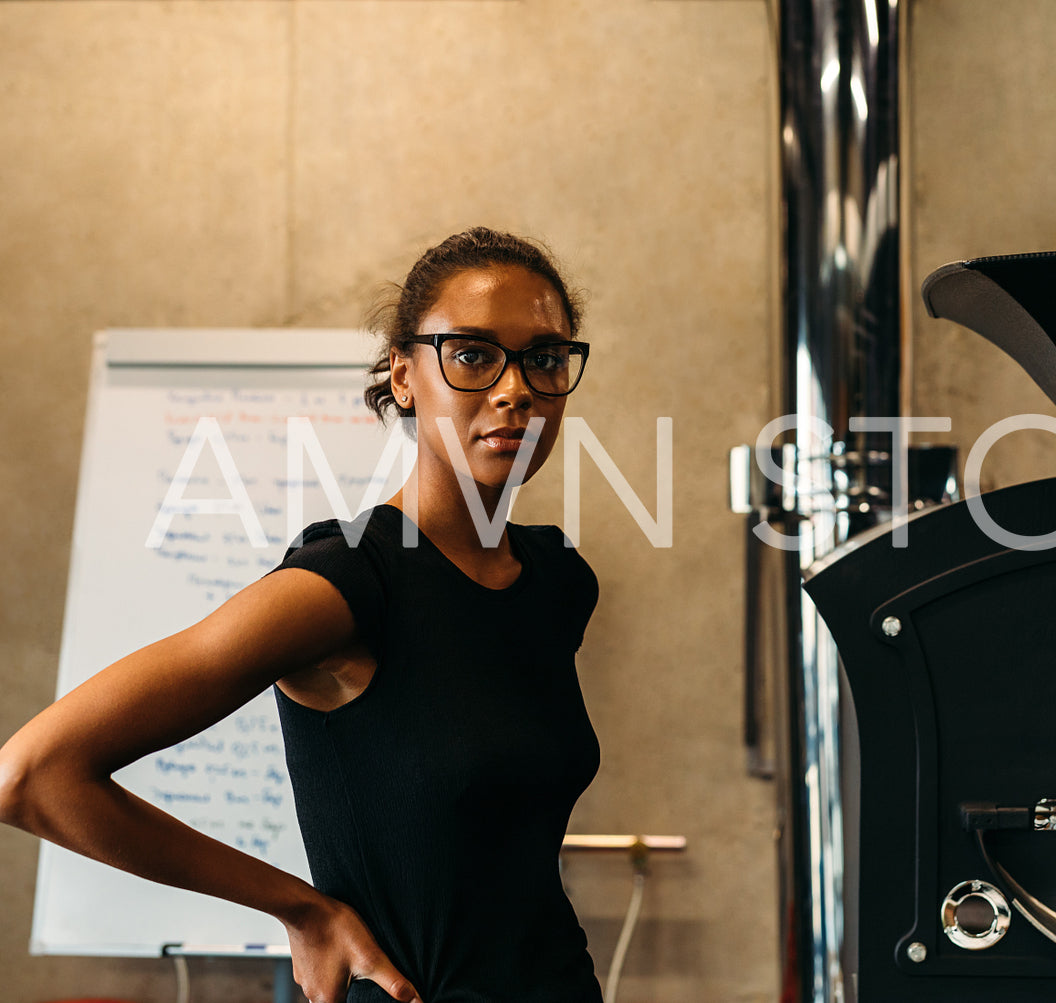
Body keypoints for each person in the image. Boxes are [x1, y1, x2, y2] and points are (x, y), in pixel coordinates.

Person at [0, 227, 604, 1003]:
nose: (515, 387)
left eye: (545, 356)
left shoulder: (557, 580)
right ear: (405, 375)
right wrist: (301, 907)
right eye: (473, 353)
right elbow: (33, 775)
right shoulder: (347, 582)